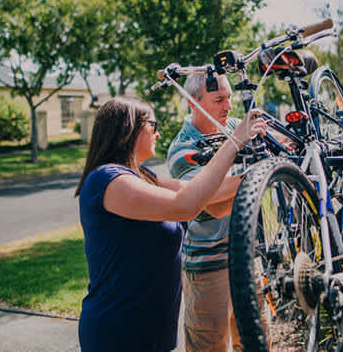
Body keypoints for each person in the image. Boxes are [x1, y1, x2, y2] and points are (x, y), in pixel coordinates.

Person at [75, 96, 265, 352]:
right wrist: (234, 141)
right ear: (129, 128)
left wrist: (261, 173)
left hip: (153, 332)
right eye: (153, 125)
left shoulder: (144, 177)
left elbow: (210, 200)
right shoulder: (108, 180)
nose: (158, 132)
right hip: (118, 333)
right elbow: (185, 205)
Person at [166, 73, 244, 352]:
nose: (229, 106)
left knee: (258, 342)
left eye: (230, 98)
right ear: (193, 103)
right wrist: (255, 177)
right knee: (210, 347)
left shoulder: (234, 127)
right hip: (209, 268)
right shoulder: (181, 149)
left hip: (248, 260)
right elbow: (212, 204)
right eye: (219, 99)